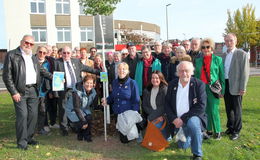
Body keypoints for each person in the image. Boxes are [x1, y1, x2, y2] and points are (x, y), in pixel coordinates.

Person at [2, 35, 52, 150]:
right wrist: (14, 92)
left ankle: (29, 138)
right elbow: (7, 76)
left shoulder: (33, 57)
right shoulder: (12, 55)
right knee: (22, 116)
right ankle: (22, 143)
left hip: (33, 90)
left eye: (31, 44)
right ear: (21, 42)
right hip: (20, 91)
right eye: (26, 42)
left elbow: (42, 71)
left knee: (33, 116)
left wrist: (55, 78)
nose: (28, 45)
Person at [53, 46, 100, 136]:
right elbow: (54, 76)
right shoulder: (57, 62)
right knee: (63, 109)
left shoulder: (76, 61)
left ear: (71, 54)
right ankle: (64, 128)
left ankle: (75, 124)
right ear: (61, 53)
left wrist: (99, 72)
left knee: (77, 108)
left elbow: (88, 69)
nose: (66, 54)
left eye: (68, 53)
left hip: (76, 89)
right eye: (64, 53)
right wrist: (56, 88)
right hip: (65, 90)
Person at [165, 61, 207, 160]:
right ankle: (195, 134)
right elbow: (166, 104)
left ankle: (197, 154)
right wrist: (174, 119)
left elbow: (201, 106)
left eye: (187, 71)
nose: (184, 73)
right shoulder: (172, 84)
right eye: (181, 71)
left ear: (192, 72)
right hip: (176, 119)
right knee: (182, 146)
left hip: (191, 117)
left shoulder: (198, 84)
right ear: (177, 72)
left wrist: (183, 119)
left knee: (193, 123)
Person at [102, 62, 141, 143]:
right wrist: (107, 100)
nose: (121, 71)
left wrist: (134, 115)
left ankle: (137, 130)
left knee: (128, 138)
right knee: (123, 140)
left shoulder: (132, 83)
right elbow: (113, 95)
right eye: (119, 69)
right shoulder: (115, 82)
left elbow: (136, 99)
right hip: (117, 111)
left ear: (128, 71)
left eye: (124, 69)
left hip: (128, 113)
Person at [194, 38, 225, 140]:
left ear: (211, 47)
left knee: (214, 109)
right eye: (203, 47)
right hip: (202, 88)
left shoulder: (218, 60)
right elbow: (196, 77)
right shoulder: (198, 61)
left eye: (207, 47)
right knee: (205, 109)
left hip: (213, 88)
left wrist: (222, 90)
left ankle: (217, 131)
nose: (205, 49)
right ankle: (209, 130)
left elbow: (221, 76)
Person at [222, 33, 250, 140]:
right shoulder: (223, 55)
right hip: (226, 84)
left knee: (237, 109)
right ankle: (230, 127)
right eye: (227, 41)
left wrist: (243, 87)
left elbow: (245, 72)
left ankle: (236, 131)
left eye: (231, 40)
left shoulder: (241, 54)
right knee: (228, 108)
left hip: (237, 85)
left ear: (235, 41)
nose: (229, 43)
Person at [66, 75, 97, 142]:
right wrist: (83, 121)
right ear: (83, 83)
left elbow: (95, 105)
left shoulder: (93, 92)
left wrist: (104, 103)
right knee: (83, 121)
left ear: (93, 84)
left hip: (82, 109)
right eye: (87, 83)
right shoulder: (76, 92)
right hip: (73, 110)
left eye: (91, 83)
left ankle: (87, 136)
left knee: (89, 117)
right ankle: (79, 133)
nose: (89, 85)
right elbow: (76, 108)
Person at [142, 71, 170, 139]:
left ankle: (168, 135)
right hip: (152, 115)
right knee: (151, 136)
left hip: (163, 116)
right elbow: (144, 105)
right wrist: (153, 116)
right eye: (153, 78)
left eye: (157, 78)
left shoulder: (165, 89)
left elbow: (165, 106)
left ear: (161, 79)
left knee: (156, 131)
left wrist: (161, 116)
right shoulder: (147, 90)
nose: (154, 80)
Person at [36, 46, 51, 135]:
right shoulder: (32, 61)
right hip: (32, 91)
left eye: (44, 53)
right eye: (40, 52)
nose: (42, 54)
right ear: (37, 52)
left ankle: (40, 129)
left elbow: (50, 75)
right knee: (32, 112)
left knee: (42, 111)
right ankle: (30, 129)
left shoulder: (48, 63)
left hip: (43, 91)